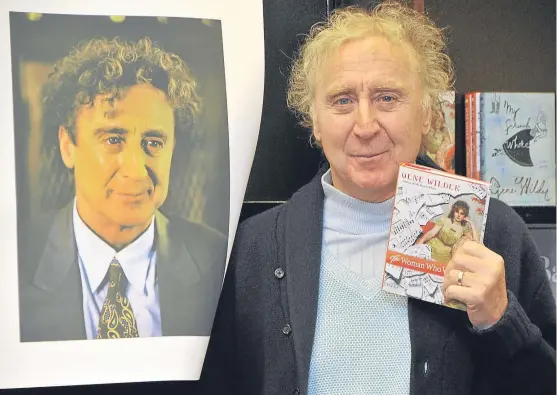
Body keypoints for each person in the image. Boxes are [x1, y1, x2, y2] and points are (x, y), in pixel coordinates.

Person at [199, 2, 556, 394]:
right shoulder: (254, 249)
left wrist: (500, 321)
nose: (365, 125)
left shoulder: (495, 234)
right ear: (314, 121)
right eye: (342, 100)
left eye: (387, 98)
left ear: (425, 112)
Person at [18, 37, 227, 342]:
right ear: (68, 146)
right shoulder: (13, 263)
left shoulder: (221, 262)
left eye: (153, 143)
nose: (135, 168)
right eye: (113, 140)